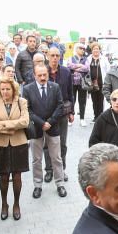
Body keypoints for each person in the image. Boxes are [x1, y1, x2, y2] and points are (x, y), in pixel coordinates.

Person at [0, 77, 30, 221]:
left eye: (8, 89)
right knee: (4, 176)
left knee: (17, 176)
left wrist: (4, 124)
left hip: (19, 143)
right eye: (2, 89)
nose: (5, 92)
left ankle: (16, 204)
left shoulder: (21, 102)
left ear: (14, 89)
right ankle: (4, 204)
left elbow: (25, 121)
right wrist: (12, 128)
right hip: (0, 143)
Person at [23, 64, 67, 198]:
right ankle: (37, 185)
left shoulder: (55, 87)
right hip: (36, 129)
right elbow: (27, 109)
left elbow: (60, 106)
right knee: (36, 159)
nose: (43, 78)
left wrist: (50, 122)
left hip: (53, 128)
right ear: (34, 76)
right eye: (40, 75)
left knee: (57, 158)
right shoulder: (27, 89)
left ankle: (60, 184)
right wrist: (42, 123)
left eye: (45, 75)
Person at [46, 47, 75, 181]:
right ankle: (49, 170)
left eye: (57, 55)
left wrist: (72, 111)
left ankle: (61, 169)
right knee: (47, 144)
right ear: (47, 56)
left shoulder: (66, 72)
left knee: (62, 143)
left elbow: (70, 92)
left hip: (63, 112)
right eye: (52, 55)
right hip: (46, 113)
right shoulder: (42, 72)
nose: (55, 58)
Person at [85, 42, 109, 122]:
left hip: (101, 82)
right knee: (94, 100)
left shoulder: (104, 59)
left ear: (99, 50)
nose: (96, 50)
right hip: (91, 83)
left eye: (97, 49)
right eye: (94, 49)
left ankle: (100, 116)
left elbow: (108, 70)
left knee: (101, 100)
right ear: (91, 50)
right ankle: (96, 116)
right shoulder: (88, 59)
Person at [68, 43, 90, 127]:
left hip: (83, 83)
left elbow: (87, 68)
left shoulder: (86, 59)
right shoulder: (71, 58)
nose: (83, 50)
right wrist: (80, 66)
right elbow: (69, 66)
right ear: (76, 49)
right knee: (72, 100)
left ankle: (82, 118)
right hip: (72, 82)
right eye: (81, 48)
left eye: (84, 49)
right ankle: (70, 118)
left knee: (82, 101)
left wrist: (76, 68)